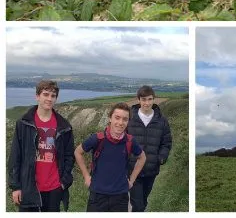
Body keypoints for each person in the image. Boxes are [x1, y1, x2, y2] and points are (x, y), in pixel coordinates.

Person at [8, 79, 74, 212]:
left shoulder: (64, 126)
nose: (49, 99)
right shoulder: (23, 123)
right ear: (37, 96)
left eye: (53, 96)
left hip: (54, 188)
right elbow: (16, 155)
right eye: (45, 94)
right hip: (29, 187)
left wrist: (63, 182)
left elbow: (69, 156)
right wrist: (16, 187)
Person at [75, 102, 146, 212]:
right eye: (117, 118)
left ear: (128, 122)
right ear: (110, 118)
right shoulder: (97, 138)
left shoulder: (130, 141)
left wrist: (131, 180)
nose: (120, 123)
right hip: (97, 195)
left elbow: (142, 158)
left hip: (120, 196)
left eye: (125, 119)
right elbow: (78, 152)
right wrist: (86, 176)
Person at [127, 85, 173, 212]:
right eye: (143, 99)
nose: (146, 103)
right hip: (133, 169)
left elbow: (166, 142)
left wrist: (161, 158)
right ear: (138, 100)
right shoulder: (130, 118)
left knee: (144, 201)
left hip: (151, 169)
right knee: (137, 205)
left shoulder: (162, 121)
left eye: (149, 99)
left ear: (154, 99)